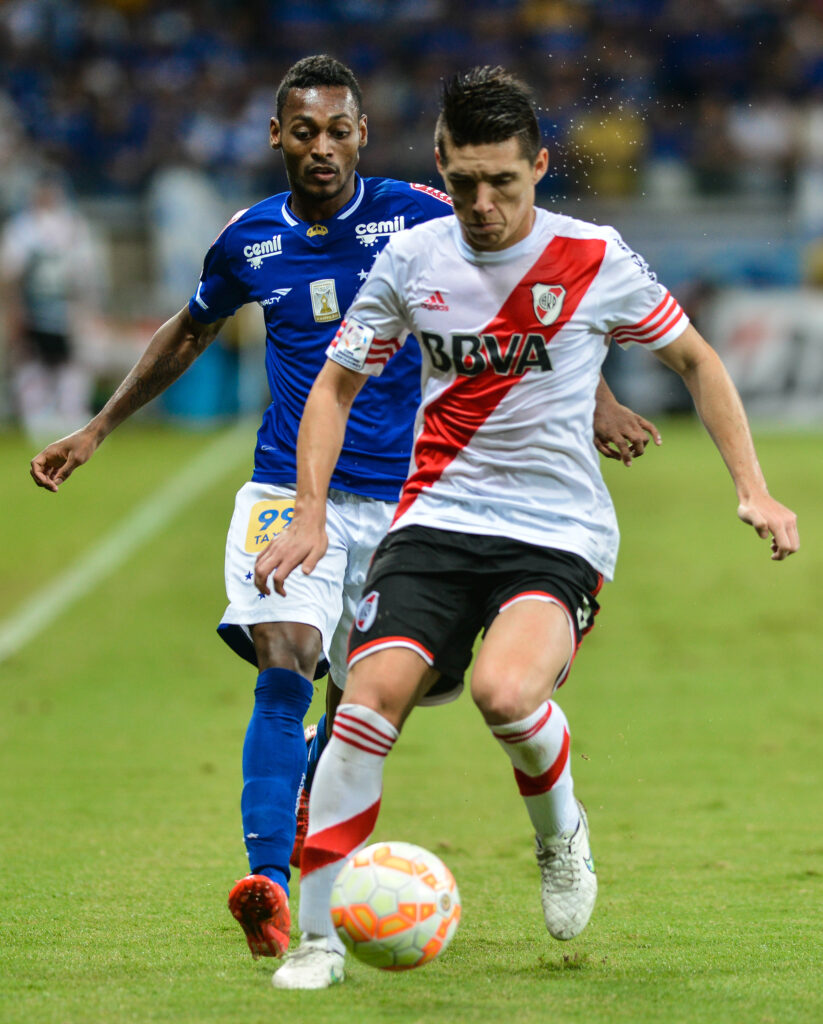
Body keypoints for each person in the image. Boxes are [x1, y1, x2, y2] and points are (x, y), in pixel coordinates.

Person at [29, 56, 657, 965]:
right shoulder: (249, 240)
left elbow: (518, 289)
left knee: (369, 700)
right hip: (291, 491)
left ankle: (307, 804)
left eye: (337, 130)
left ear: (362, 135)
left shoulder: (420, 215)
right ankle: (269, 887)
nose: (321, 147)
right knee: (284, 654)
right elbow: (190, 331)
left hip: (415, 504)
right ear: (276, 137)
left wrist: (595, 400)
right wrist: (96, 428)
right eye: (304, 131)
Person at [256, 65, 799, 991]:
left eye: (502, 182)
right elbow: (335, 386)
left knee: (505, 694)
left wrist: (754, 488)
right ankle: (316, 941)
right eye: (464, 181)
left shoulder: (593, 256)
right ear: (439, 163)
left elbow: (697, 361)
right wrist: (309, 513)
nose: (482, 205)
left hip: (556, 530)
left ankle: (560, 835)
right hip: (435, 519)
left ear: (538, 167)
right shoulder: (411, 260)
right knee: (364, 701)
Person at [1, 171, 102, 440]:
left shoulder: (73, 225)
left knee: (72, 361)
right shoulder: (22, 228)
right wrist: (14, 309)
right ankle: (38, 415)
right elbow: (9, 275)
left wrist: (86, 307)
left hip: (67, 306)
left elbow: (87, 272)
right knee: (32, 360)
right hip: (34, 306)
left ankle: (70, 413)